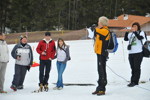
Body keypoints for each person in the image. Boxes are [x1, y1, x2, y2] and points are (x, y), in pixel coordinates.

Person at [92, 16, 110, 96]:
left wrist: (94, 28)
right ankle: (99, 87)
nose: (98, 23)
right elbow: (96, 33)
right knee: (99, 70)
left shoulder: (105, 30)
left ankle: (102, 88)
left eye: (99, 22)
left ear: (102, 23)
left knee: (102, 70)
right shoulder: (101, 30)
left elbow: (96, 30)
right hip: (99, 53)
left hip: (102, 53)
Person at [124, 22, 146, 87]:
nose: (134, 28)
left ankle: (135, 81)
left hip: (138, 52)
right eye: (133, 27)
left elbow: (140, 38)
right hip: (131, 53)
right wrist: (127, 32)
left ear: (138, 27)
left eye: (136, 27)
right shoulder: (130, 34)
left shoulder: (141, 32)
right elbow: (125, 39)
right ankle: (132, 80)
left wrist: (135, 32)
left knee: (137, 67)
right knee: (132, 67)